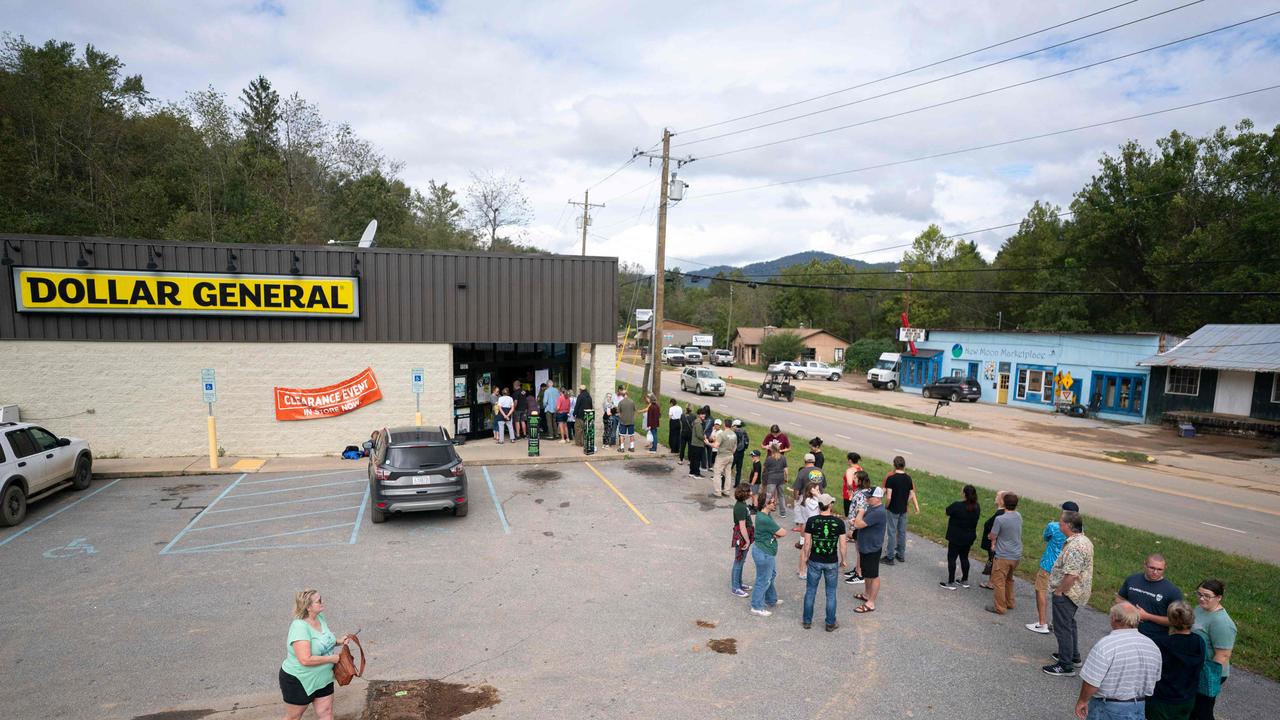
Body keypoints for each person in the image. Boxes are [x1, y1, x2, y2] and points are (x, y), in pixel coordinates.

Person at [1073, 603, 1161, 720]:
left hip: (1107, 708)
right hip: (1138, 707)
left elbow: (1092, 681)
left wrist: (1082, 701)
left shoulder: (1106, 645)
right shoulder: (1152, 646)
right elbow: (1155, 678)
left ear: (1113, 618)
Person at [280, 588, 353, 720]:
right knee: (294, 717)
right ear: (308, 607)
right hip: (300, 680)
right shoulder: (299, 627)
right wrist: (333, 659)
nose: (322, 602)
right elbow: (305, 660)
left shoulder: (320, 617)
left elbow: (322, 642)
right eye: (319, 601)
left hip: (323, 678)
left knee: (326, 712)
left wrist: (338, 641)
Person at [1044, 509, 1094, 677]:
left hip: (1068, 593)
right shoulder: (1083, 540)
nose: (1059, 525)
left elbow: (1071, 575)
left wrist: (1059, 591)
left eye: (1061, 523)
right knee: (1069, 623)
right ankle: (1073, 655)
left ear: (1070, 526)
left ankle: (1065, 665)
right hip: (1077, 592)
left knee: (1062, 627)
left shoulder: (1076, 547)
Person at [1147, 601, 1206, 720]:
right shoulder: (1199, 641)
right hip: (1187, 698)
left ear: (1171, 620)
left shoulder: (1161, 643)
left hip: (1162, 699)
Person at [1029, 500, 1080, 633]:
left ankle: (1042, 623)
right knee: (1061, 594)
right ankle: (1056, 622)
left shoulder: (1053, 526)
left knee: (1041, 590)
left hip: (1049, 564)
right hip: (1066, 567)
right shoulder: (1079, 531)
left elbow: (1046, 537)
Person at [1190, 579, 1236, 719]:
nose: (1202, 598)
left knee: (1202, 711)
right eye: (1199, 594)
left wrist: (1206, 676)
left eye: (1207, 596)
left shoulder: (1222, 623)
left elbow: (1223, 655)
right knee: (1193, 708)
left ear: (1219, 598)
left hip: (1209, 672)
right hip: (1196, 667)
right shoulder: (1200, 608)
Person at [801, 493, 847, 631]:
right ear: (830, 505)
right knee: (831, 593)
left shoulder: (811, 521)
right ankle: (830, 623)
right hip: (831, 562)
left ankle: (807, 621)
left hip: (815, 560)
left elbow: (807, 543)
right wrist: (843, 560)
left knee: (810, 591)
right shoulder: (839, 523)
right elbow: (843, 545)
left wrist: (805, 558)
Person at [1116, 553, 1183, 641]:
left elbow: (1176, 621)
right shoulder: (1132, 579)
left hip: (1154, 639)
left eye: (1159, 569)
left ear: (1165, 567)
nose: (1155, 572)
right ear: (1145, 564)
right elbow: (1119, 598)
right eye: (1152, 568)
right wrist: (1132, 611)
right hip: (1126, 632)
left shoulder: (1172, 591)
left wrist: (1147, 616)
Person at [749, 491, 788, 617]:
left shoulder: (766, 514)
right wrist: (775, 533)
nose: (775, 502)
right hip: (764, 553)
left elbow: (777, 532)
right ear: (766, 503)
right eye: (772, 501)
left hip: (766, 551)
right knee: (763, 579)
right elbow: (782, 532)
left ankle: (770, 599)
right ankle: (756, 606)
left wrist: (774, 533)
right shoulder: (764, 518)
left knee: (771, 574)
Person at [852, 486, 887, 614]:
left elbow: (858, 524)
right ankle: (867, 595)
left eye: (869, 497)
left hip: (872, 548)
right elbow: (861, 523)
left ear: (877, 498)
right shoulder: (873, 508)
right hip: (866, 546)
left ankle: (871, 603)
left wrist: (860, 512)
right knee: (867, 573)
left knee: (874, 575)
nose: (866, 499)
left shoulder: (878, 512)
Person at [986, 492, 1023, 615]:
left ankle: (1000, 607)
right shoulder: (1018, 516)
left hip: (1003, 555)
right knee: (1009, 579)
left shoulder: (1000, 519)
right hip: (1016, 554)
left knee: (999, 581)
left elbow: (993, 535)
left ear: (1004, 503)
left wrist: (990, 537)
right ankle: (1010, 602)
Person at [940, 484, 980, 590]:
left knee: (952, 558)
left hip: (956, 536)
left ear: (964, 494)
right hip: (969, 536)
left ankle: (951, 582)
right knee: (964, 557)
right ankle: (964, 580)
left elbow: (947, 511)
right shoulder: (977, 506)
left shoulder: (958, 505)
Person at [881, 455, 919, 565]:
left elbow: (888, 496)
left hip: (893, 508)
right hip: (903, 509)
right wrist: (905, 501)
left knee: (892, 532)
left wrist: (886, 506)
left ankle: (890, 557)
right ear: (904, 466)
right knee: (902, 532)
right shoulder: (908, 478)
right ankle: (901, 555)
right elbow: (912, 494)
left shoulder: (891, 478)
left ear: (894, 465)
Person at [844, 469, 873, 585]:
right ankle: (857, 569)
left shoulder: (862, 494)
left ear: (860, 480)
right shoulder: (862, 491)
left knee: (859, 550)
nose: (853, 480)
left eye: (855, 478)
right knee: (858, 549)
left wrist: (852, 528)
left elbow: (859, 511)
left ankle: (860, 574)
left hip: (857, 525)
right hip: (856, 524)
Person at [979, 490, 1007, 590]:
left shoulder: (1000, 514)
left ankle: (992, 582)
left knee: (994, 561)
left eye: (997, 496)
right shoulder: (1002, 512)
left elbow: (993, 528)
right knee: (993, 560)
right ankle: (992, 581)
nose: (995, 497)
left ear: (1002, 500)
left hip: (994, 544)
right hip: (996, 543)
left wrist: (991, 541)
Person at [730, 485, 755, 597]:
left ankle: (739, 583)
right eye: (749, 490)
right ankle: (735, 587)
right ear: (745, 493)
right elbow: (742, 526)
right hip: (742, 535)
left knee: (742, 560)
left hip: (746, 534)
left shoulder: (743, 504)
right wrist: (747, 540)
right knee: (738, 560)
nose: (751, 492)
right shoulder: (740, 507)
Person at [709, 418, 737, 496]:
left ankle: (718, 492)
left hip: (722, 456)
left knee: (717, 473)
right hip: (730, 456)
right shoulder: (734, 434)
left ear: (724, 425)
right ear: (731, 425)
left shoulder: (722, 434)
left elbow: (716, 445)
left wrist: (708, 443)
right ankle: (726, 491)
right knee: (728, 474)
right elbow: (735, 447)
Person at [762, 440, 788, 517]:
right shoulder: (783, 458)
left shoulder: (769, 458)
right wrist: (786, 478)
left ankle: (765, 511)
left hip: (771, 479)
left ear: (772, 450)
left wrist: (764, 476)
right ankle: (783, 513)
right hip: (781, 479)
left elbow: (764, 468)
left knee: (769, 495)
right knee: (781, 495)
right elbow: (786, 470)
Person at [841, 452, 863, 517]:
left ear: (850, 460)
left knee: (848, 514)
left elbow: (849, 483)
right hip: (858, 493)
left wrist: (850, 491)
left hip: (849, 495)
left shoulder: (850, 470)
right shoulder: (860, 468)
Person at [687, 408, 706, 477]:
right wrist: (705, 438)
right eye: (702, 414)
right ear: (698, 415)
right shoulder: (698, 423)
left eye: (704, 414)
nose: (703, 415)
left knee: (693, 459)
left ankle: (691, 472)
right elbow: (699, 435)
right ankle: (696, 474)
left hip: (694, 443)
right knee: (697, 460)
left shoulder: (696, 422)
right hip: (698, 444)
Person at [616, 387, 636, 452]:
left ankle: (622, 448)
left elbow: (618, 412)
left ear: (622, 395)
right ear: (628, 394)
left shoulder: (620, 402)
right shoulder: (632, 402)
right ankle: (632, 447)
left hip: (623, 421)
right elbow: (634, 410)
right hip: (631, 421)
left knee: (622, 435)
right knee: (631, 435)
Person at [731, 419, 749, 487]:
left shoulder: (735, 432)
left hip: (735, 452)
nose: (733, 427)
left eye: (733, 426)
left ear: (736, 425)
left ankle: (724, 481)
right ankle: (737, 484)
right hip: (742, 453)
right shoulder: (745, 432)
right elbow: (746, 443)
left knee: (729, 467)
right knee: (739, 469)